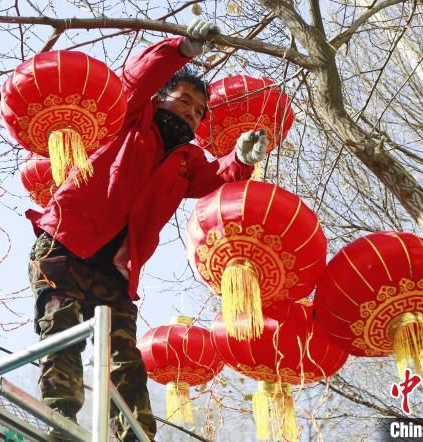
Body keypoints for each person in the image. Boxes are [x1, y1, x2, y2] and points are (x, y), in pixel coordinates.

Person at [26, 18, 269, 441]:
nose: (191, 114)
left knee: (124, 358)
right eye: (184, 100)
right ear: (160, 98)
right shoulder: (128, 117)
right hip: (66, 244)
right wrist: (181, 49)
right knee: (62, 329)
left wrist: (241, 160)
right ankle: (60, 420)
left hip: (115, 271)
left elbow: (216, 180)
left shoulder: (186, 161)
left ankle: (135, 434)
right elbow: (136, 79)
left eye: (198, 112)